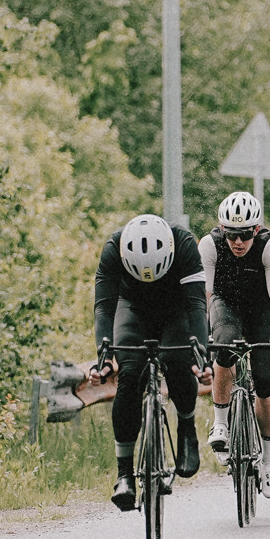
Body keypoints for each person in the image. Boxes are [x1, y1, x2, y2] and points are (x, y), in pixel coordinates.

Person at [91, 213, 207, 511]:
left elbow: (196, 305)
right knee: (129, 376)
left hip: (176, 310)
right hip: (133, 310)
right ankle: (124, 475)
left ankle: (186, 428)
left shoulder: (183, 244)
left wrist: (201, 355)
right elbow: (104, 308)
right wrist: (104, 357)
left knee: (178, 360)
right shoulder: (113, 248)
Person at [198, 190, 270, 498]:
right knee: (224, 347)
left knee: (264, 379)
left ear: (257, 230)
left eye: (245, 234)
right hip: (227, 305)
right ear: (222, 229)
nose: (238, 242)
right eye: (232, 234)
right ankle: (220, 422)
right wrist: (204, 330)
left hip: (261, 309)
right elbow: (205, 295)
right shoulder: (209, 245)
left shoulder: (269, 247)